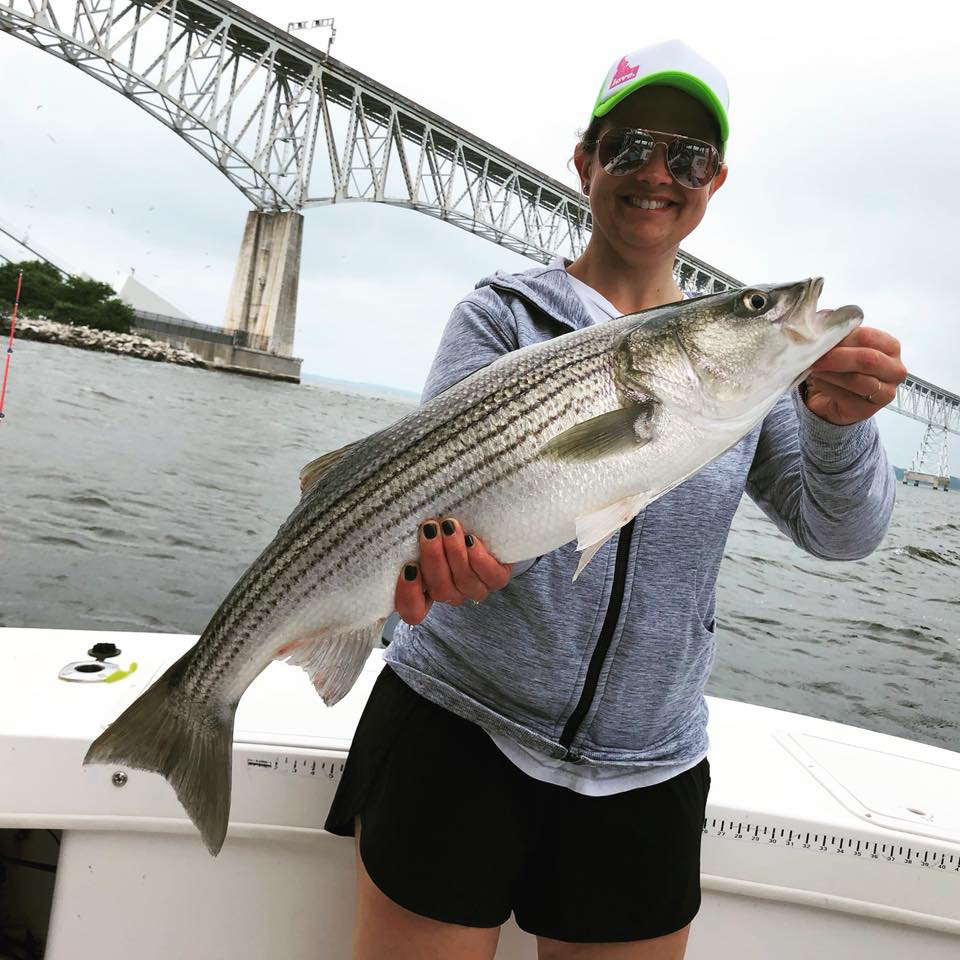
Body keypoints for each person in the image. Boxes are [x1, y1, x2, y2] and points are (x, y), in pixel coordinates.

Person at [324, 39, 907, 960]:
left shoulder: (747, 365)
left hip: (649, 765)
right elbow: (423, 506)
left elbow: (842, 534)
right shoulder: (502, 315)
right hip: (456, 727)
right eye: (630, 147)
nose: (658, 173)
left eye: (690, 157)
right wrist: (441, 570)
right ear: (585, 163)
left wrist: (839, 425)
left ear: (716, 182)